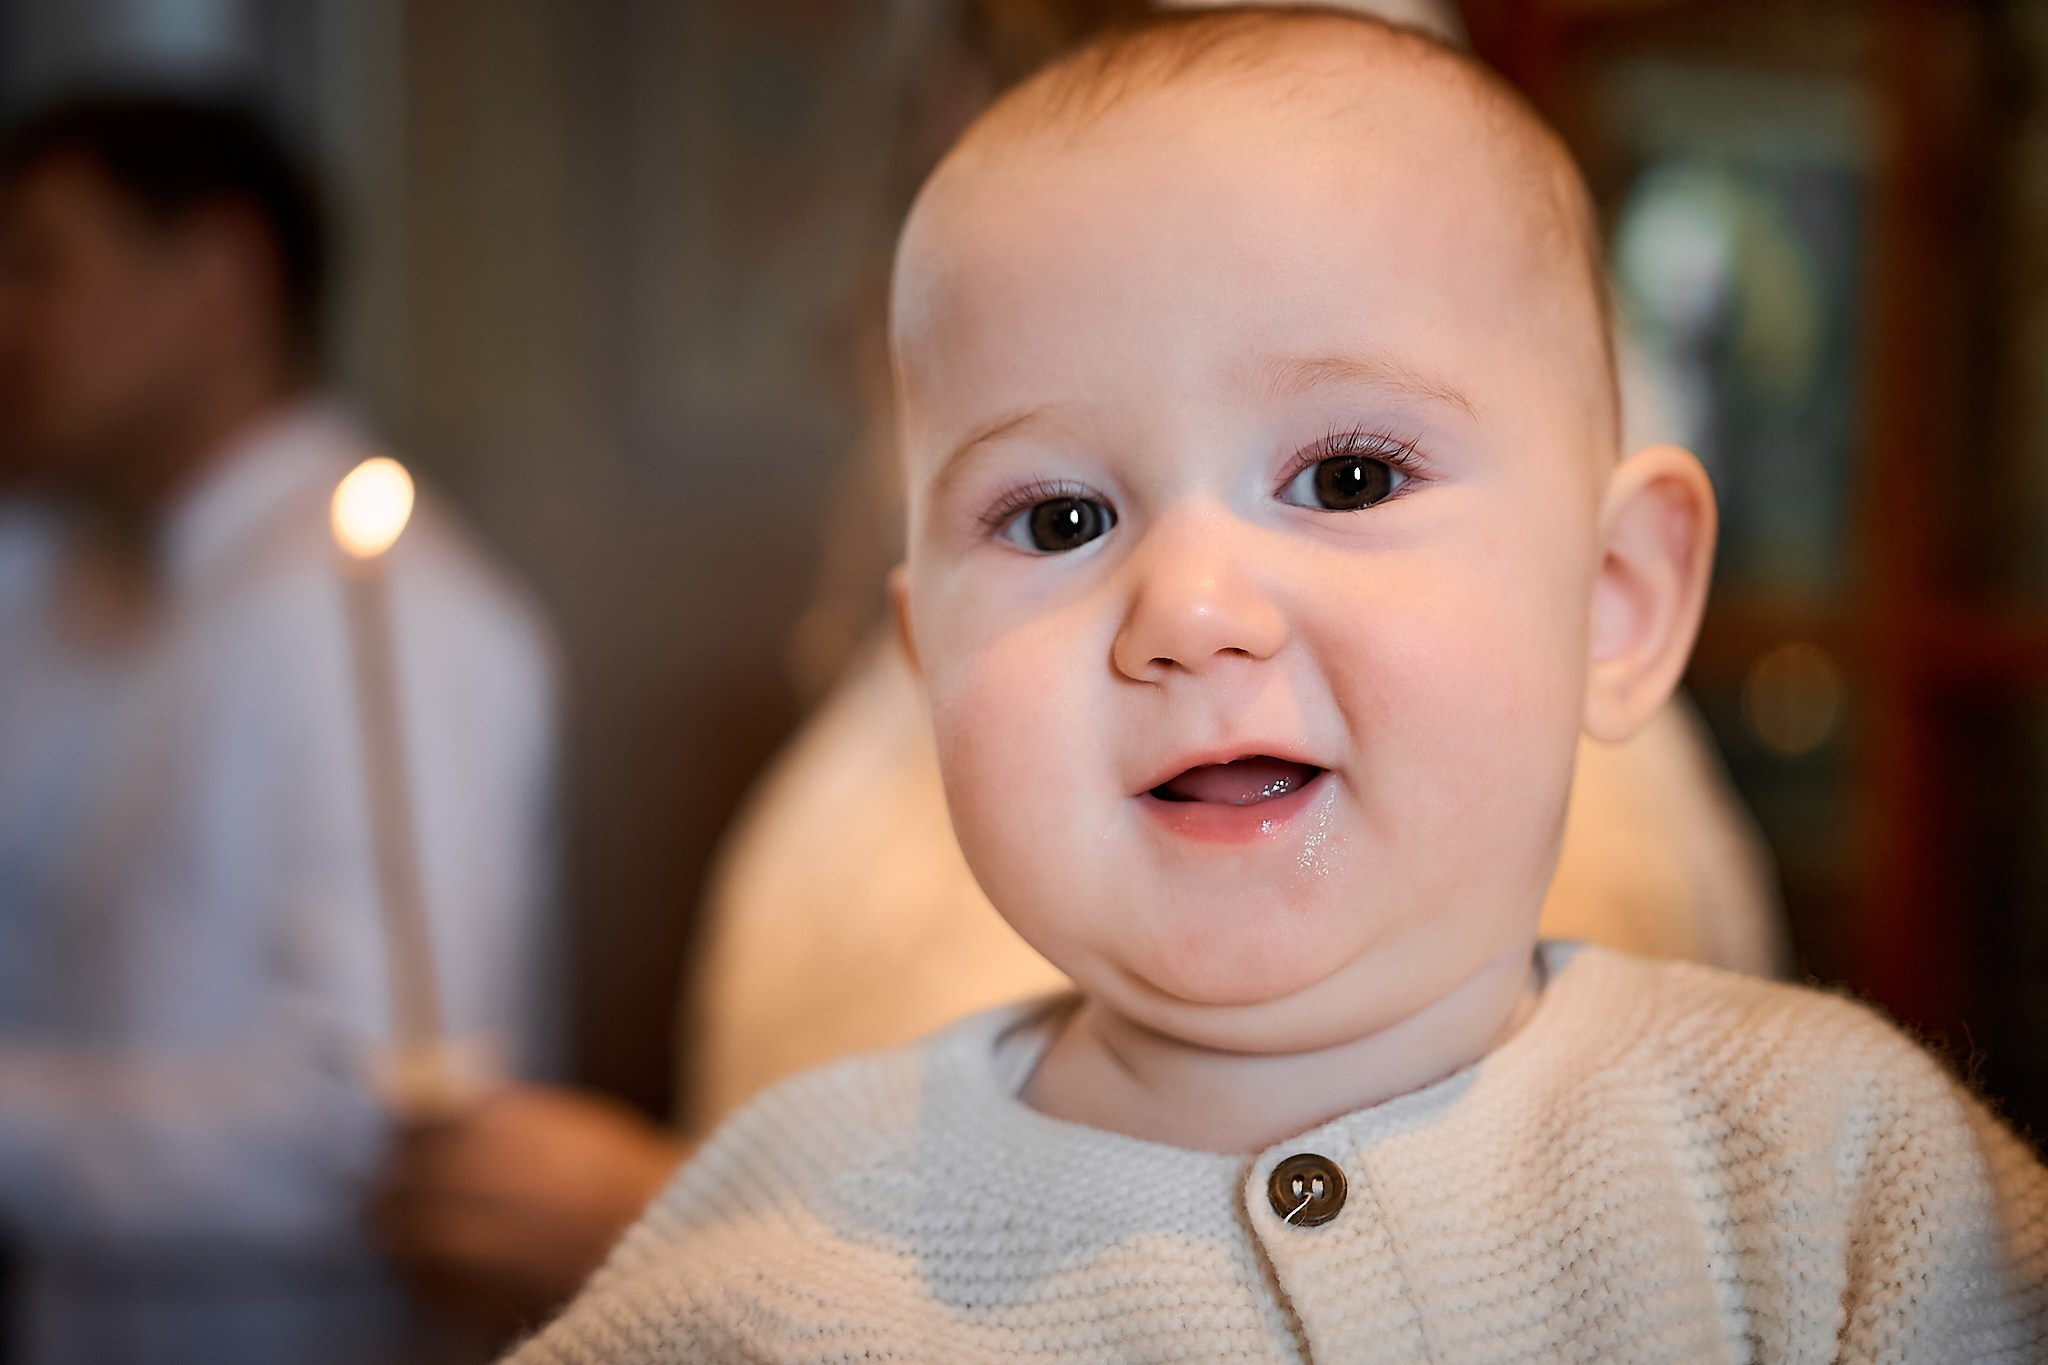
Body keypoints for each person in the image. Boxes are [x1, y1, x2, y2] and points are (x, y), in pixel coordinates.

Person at [511, 11, 2048, 1359]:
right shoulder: (783, 1238)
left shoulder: (1841, 1171)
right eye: (1059, 519)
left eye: (1349, 473)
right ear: (932, 673)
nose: (1189, 611)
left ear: (1615, 599)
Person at [0, 95, 559, 1364]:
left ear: (220, 274)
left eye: (40, 263)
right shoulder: (142, 581)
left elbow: (363, 1130)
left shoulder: (371, 606)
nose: (6, 317)